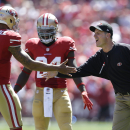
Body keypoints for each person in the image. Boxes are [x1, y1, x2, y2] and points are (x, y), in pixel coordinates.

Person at [43, 20, 130, 130]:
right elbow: (79, 71)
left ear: (108, 35)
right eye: (94, 33)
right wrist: (57, 73)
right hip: (121, 100)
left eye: (98, 33)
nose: (94, 36)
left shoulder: (125, 50)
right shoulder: (99, 56)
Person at [0, 6, 77, 130]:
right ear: (9, 20)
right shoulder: (10, 36)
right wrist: (57, 68)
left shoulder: (64, 43)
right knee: (16, 123)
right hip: (3, 85)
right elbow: (29, 65)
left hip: (57, 91)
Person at [14, 13, 93, 130]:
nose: (45, 34)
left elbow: (73, 69)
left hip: (60, 92)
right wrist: (14, 91)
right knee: (40, 128)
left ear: (55, 29)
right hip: (40, 92)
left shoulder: (65, 43)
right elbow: (26, 71)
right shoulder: (32, 44)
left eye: (48, 30)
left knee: (66, 127)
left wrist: (83, 90)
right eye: (42, 30)